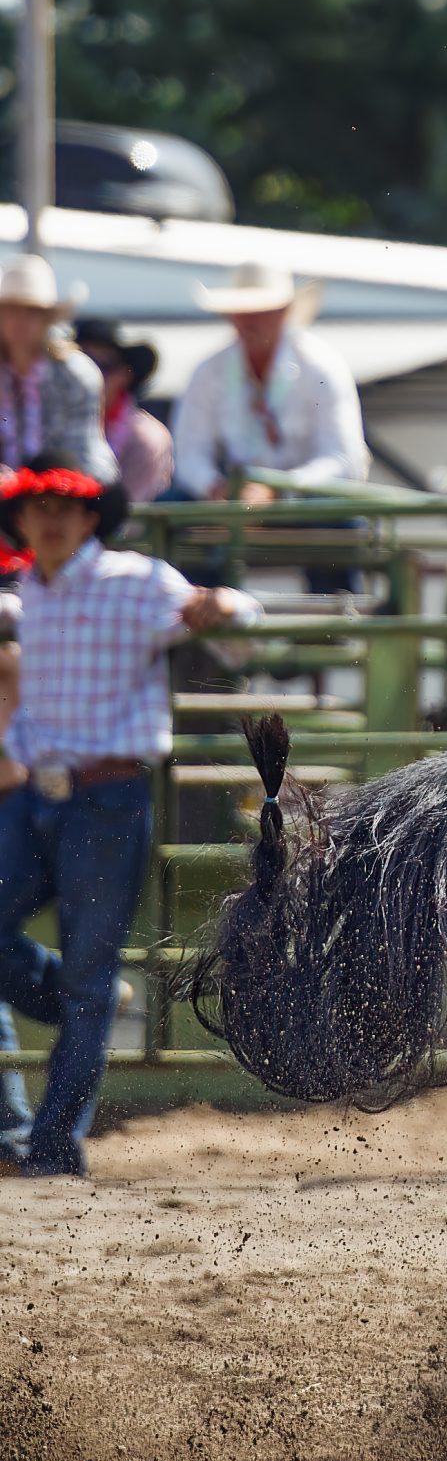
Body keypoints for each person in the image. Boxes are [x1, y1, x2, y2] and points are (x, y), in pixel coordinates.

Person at [0, 454, 258, 1176]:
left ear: (89, 518)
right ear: (22, 519)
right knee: (84, 979)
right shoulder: (33, 589)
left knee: (86, 971)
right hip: (44, 796)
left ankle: (50, 1145)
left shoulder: (137, 582)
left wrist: (225, 608)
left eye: (64, 506)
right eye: (37, 506)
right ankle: (76, 1021)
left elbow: (235, 616)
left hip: (102, 798)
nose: (49, 518)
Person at [170, 262, 368, 505]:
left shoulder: (321, 367)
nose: (249, 320)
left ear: (284, 312)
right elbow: (190, 453)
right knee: (168, 501)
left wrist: (280, 491)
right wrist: (214, 488)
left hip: (307, 505)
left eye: (261, 309)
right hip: (233, 500)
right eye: (241, 310)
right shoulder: (209, 371)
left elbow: (342, 460)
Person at [0, 257, 115, 482]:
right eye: (11, 311)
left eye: (32, 312)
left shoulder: (76, 375)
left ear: (47, 319)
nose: (20, 321)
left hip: (64, 491)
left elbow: (80, 454)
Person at [73, 319, 174, 506]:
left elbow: (129, 523)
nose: (89, 375)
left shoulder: (146, 439)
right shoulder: (48, 421)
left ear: (125, 375)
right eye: (80, 364)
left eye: (103, 366)